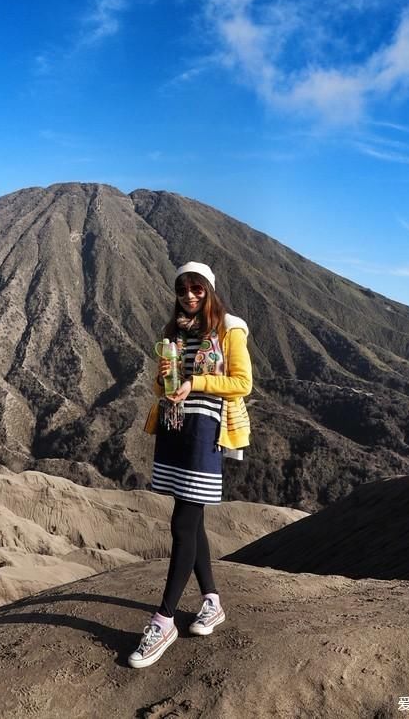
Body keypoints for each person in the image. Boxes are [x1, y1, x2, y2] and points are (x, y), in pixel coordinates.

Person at [128, 261, 253, 669]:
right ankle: (212, 601)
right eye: (183, 290)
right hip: (175, 425)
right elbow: (160, 386)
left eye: (197, 289)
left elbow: (241, 383)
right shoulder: (174, 332)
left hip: (206, 430)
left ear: (210, 290)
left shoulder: (229, 329)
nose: (190, 296)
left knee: (183, 521)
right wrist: (165, 377)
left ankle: (164, 620)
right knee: (192, 522)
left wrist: (195, 382)